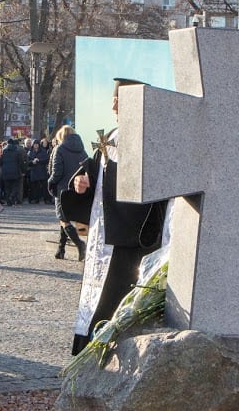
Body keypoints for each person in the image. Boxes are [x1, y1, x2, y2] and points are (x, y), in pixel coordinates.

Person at [67, 78, 167, 356]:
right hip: (102, 232)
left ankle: (108, 352)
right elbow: (91, 173)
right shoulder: (111, 135)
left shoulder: (148, 139)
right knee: (95, 295)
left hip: (128, 236)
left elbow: (148, 189)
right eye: (113, 100)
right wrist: (81, 183)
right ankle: (87, 349)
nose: (113, 105)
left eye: (119, 100)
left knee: (117, 297)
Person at [47, 125, 88, 260]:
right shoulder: (82, 150)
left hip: (63, 189)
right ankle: (61, 249)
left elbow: (56, 172)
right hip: (77, 189)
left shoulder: (60, 149)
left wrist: (50, 182)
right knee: (72, 219)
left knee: (63, 219)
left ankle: (81, 245)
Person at [0, 137, 24, 205]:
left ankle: (8, 201)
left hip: (5, 172)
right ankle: (12, 196)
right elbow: (21, 162)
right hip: (15, 171)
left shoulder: (3, 151)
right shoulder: (17, 151)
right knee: (15, 186)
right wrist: (22, 170)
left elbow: (1, 161)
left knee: (7, 187)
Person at [27, 137, 51, 203]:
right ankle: (35, 199)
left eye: (37, 144)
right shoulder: (30, 152)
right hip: (34, 171)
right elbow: (27, 162)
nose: (36, 145)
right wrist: (32, 162)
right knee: (34, 187)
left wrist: (39, 160)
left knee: (44, 186)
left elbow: (47, 160)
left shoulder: (43, 151)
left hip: (42, 171)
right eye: (34, 144)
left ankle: (46, 199)